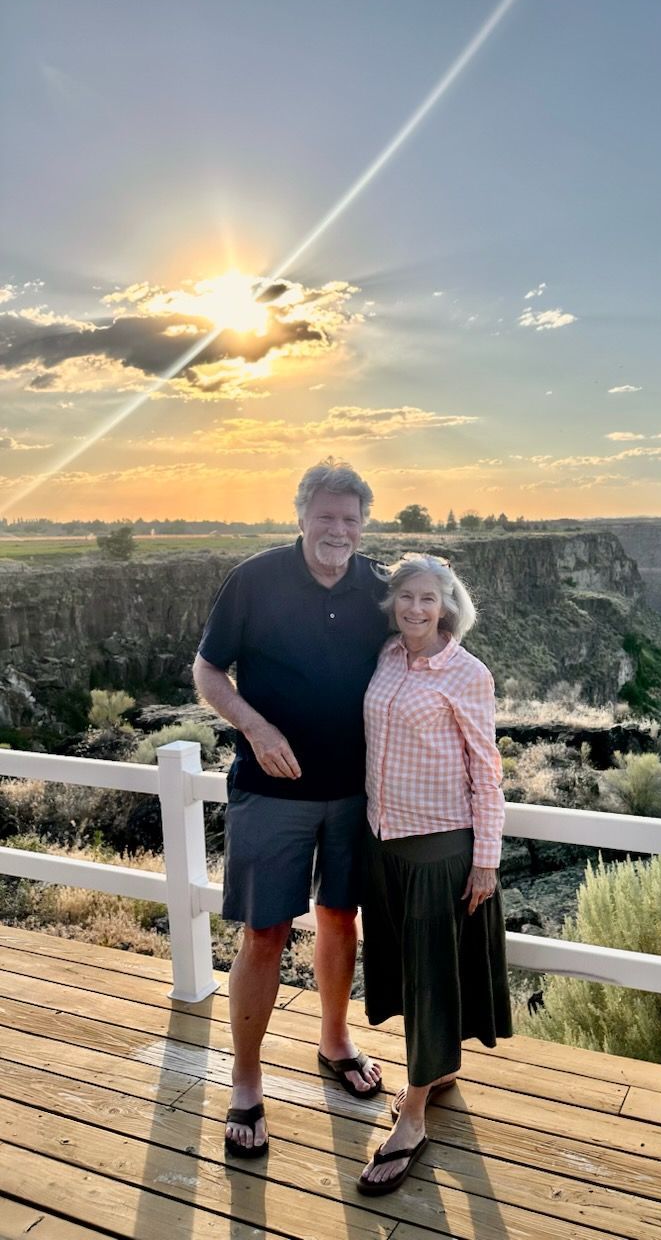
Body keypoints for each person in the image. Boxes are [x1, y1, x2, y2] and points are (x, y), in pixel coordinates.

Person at [193, 460, 390, 1158]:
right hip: (271, 790)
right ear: (301, 514)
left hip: (355, 792)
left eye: (350, 518)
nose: (338, 529)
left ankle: (334, 1041)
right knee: (266, 932)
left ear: (362, 524)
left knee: (341, 917)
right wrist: (255, 726)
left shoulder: (381, 587)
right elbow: (208, 671)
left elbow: (428, 652)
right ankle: (245, 1083)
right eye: (326, 515)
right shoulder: (255, 579)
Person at [357, 554, 512, 1195]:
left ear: (447, 606)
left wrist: (486, 860)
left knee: (429, 981)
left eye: (429, 599)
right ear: (393, 602)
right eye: (406, 597)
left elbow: (488, 769)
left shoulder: (468, 673)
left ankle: (413, 1114)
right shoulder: (388, 655)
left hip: (438, 851)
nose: (417, 610)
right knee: (410, 969)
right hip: (383, 843)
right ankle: (437, 1071)